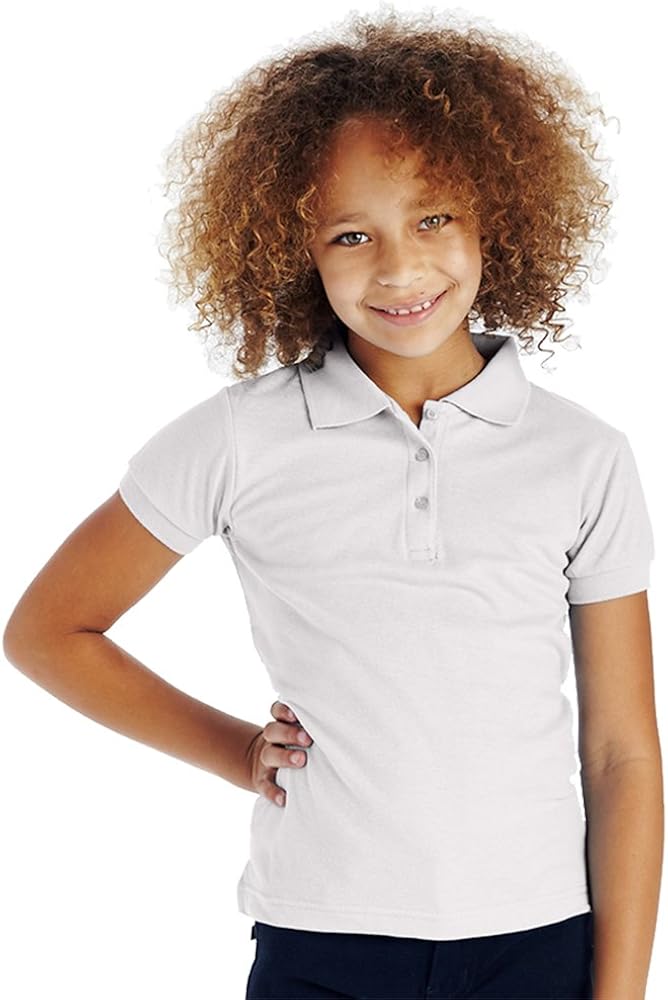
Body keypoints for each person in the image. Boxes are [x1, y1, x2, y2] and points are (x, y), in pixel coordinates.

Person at [3, 7, 662, 999]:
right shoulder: (242, 437)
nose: (399, 268)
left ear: (495, 212)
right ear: (295, 248)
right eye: (351, 234)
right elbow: (49, 631)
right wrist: (236, 750)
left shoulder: (582, 456)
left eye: (432, 218)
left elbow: (619, 756)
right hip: (323, 946)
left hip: (535, 944)